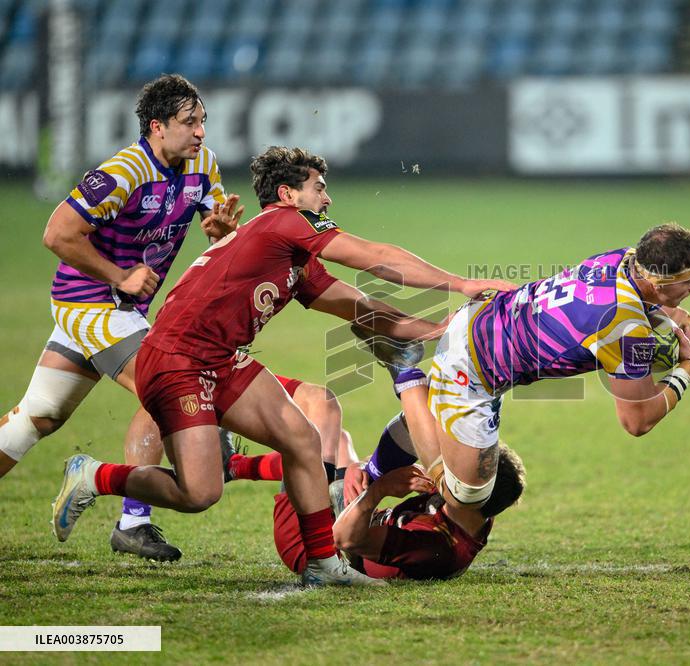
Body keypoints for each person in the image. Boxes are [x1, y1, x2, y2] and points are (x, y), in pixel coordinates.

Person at [51, 145, 515, 587]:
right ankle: (93, 475)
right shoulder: (285, 222)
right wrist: (460, 283)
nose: (327, 198)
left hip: (219, 359)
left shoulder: (290, 253)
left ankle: (323, 563)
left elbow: (361, 309)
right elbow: (375, 260)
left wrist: (439, 329)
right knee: (200, 494)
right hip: (178, 360)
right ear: (288, 195)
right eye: (319, 187)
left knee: (303, 438)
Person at [359, 223, 690, 513]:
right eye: (689, 278)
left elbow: (672, 317)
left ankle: (366, 475)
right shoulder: (622, 325)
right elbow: (637, 420)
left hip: (483, 322)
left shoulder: (624, 261)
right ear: (657, 280)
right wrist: (687, 370)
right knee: (466, 495)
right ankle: (406, 370)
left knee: (440, 422)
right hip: (472, 368)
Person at [0, 74, 243, 561]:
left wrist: (219, 233)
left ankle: (131, 516)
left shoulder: (203, 165)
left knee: (36, 418)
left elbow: (215, 228)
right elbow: (57, 234)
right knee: (167, 384)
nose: (200, 131)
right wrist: (121, 276)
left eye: (203, 121)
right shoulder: (124, 170)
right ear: (157, 126)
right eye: (189, 122)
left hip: (122, 312)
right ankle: (133, 523)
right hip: (89, 303)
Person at [225, 398, 526, 581]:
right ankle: (233, 466)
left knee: (309, 444)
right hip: (352, 514)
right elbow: (397, 452)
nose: (455, 467)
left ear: (475, 493)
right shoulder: (469, 507)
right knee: (339, 441)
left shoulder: (435, 546)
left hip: (319, 549)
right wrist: (365, 470)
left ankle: (232, 462)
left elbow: (343, 538)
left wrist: (378, 489)